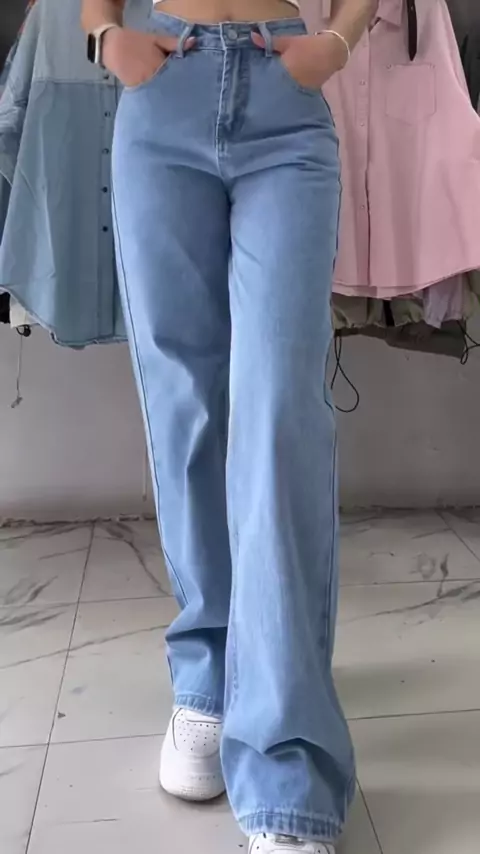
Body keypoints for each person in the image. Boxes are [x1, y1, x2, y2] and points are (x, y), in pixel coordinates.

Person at [81, 0, 375, 851]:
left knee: (280, 414)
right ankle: (208, 677)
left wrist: (336, 43)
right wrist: (106, 36)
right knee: (185, 405)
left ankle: (288, 773)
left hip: (285, 99)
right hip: (162, 94)